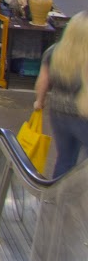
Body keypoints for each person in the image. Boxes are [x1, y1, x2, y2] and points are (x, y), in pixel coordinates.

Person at [35, 13, 88, 176]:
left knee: (65, 159)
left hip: (58, 113)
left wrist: (39, 101)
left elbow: (43, 81)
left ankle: (58, 191)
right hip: (83, 113)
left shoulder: (54, 51)